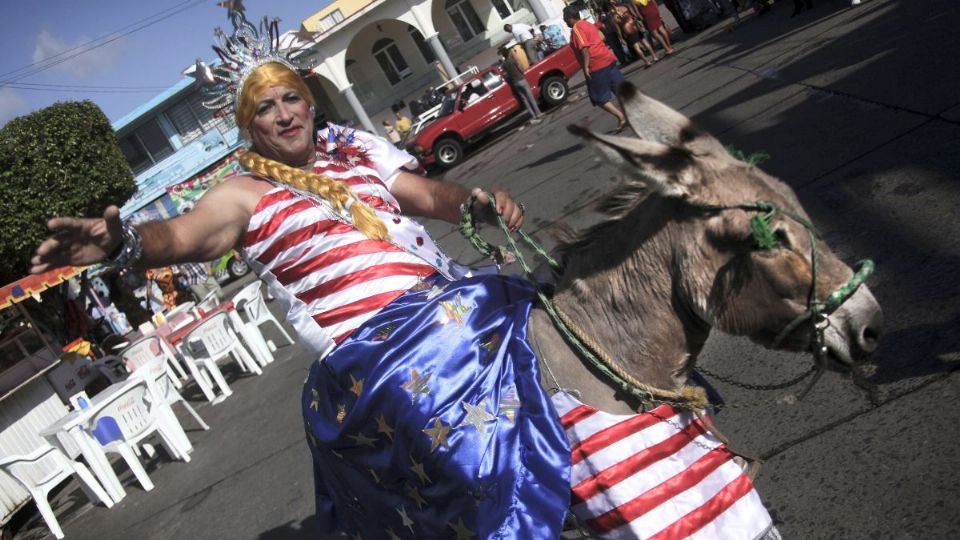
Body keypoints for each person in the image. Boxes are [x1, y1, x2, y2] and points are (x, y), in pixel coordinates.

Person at [31, 9, 569, 539]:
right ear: (250, 126)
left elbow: (428, 194)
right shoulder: (242, 194)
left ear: (310, 104)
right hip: (379, 355)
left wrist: (475, 205)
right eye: (266, 107)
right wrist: (125, 243)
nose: (285, 114)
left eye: (291, 98)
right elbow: (184, 235)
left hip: (449, 301)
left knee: (550, 320)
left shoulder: (354, 152)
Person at [563, 4, 628, 132]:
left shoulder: (577, 28)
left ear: (570, 18)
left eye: (565, 19)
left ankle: (622, 117)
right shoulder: (587, 24)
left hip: (596, 65)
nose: (565, 22)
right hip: (607, 58)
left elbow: (584, 48)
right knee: (619, 89)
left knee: (599, 97)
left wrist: (586, 67)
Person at [499, 46, 543, 124]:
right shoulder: (513, 61)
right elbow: (521, 69)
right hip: (521, 79)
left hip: (514, 83)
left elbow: (505, 75)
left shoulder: (504, 65)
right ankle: (538, 113)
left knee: (524, 100)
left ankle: (532, 115)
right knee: (530, 97)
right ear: (509, 53)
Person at [612, 1, 659, 67]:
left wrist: (621, 37)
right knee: (644, 42)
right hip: (634, 27)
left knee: (636, 47)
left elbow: (618, 29)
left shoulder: (614, 16)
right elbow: (634, 15)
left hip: (627, 31)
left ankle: (647, 62)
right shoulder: (625, 7)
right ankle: (654, 57)